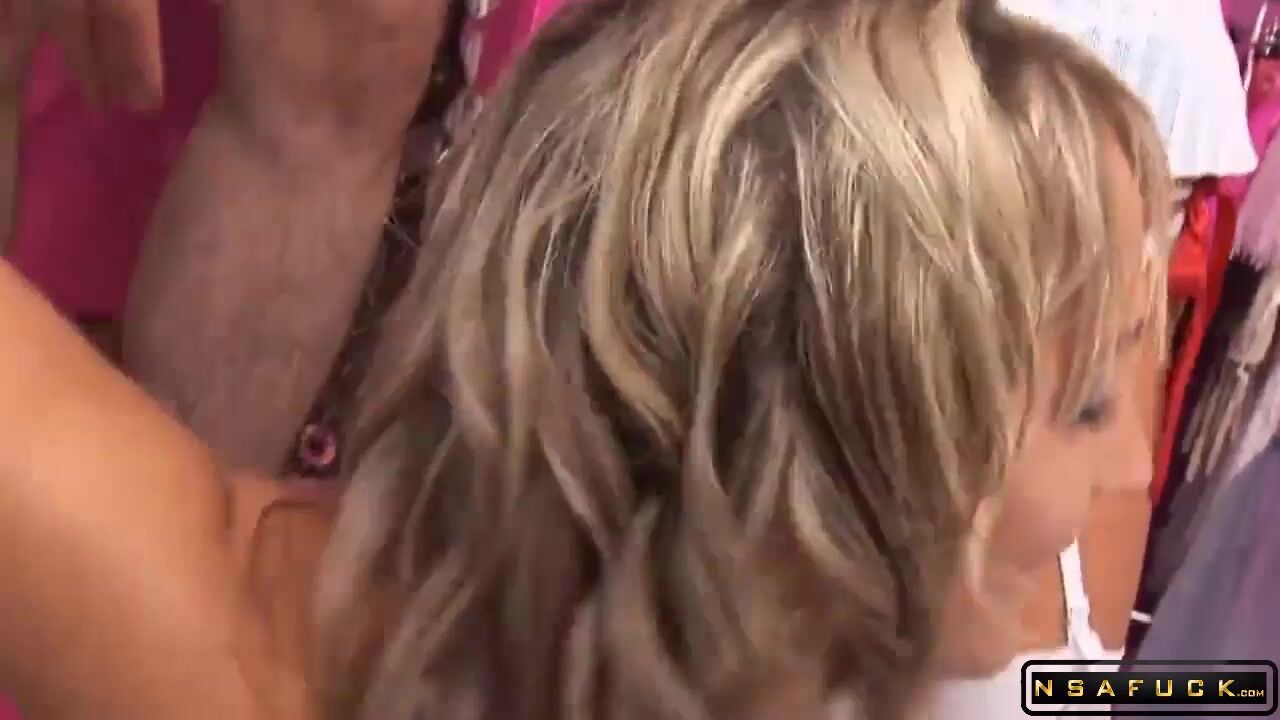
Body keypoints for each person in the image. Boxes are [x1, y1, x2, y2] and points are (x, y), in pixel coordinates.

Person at [0, 0, 1171, 718]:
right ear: (817, 437)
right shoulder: (235, 648)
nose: (1133, 469)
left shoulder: (998, 640)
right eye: (1083, 403)